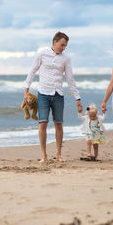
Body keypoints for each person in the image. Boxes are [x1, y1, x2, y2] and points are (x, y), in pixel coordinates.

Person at [24, 31, 83, 163]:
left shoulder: (66, 58)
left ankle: (58, 154)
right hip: (43, 93)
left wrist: (77, 98)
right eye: (62, 45)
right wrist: (26, 91)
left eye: (65, 46)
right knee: (43, 123)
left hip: (58, 95)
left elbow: (70, 79)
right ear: (54, 42)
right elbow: (32, 71)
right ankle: (44, 155)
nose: (63, 48)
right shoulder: (42, 53)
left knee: (58, 124)